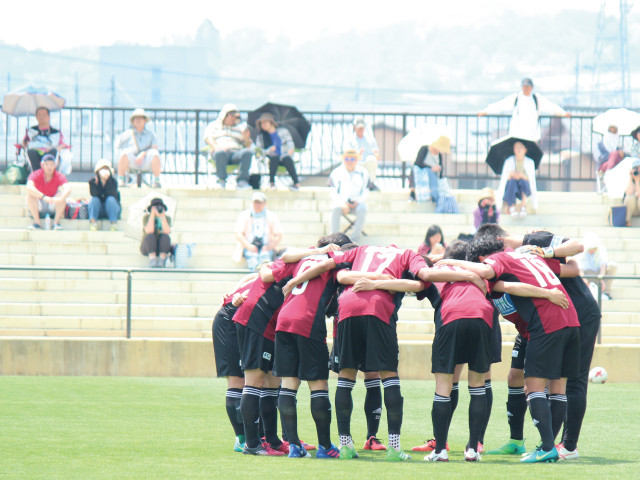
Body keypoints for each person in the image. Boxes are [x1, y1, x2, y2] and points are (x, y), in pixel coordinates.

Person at [437, 235, 582, 463]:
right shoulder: (529, 259)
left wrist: (455, 263)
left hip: (546, 322)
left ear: (484, 259)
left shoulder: (498, 261)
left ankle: (546, 448)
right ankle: (549, 447)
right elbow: (570, 268)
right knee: (558, 388)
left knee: (533, 385)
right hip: (571, 320)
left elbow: (492, 276)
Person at [486, 230, 600, 461]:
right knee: (522, 377)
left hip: (576, 316)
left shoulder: (535, 243)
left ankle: (566, 445)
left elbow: (577, 253)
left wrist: (547, 251)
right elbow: (571, 269)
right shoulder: (519, 257)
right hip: (544, 319)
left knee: (571, 381)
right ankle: (526, 441)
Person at [212, 272, 259, 452]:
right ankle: (241, 438)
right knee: (237, 381)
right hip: (229, 322)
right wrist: (233, 292)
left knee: (254, 381)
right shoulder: (276, 271)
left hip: (246, 322)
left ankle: (257, 436)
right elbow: (254, 275)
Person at [478, 77, 569, 141]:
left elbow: (550, 106)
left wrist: (563, 113)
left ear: (531, 88)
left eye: (527, 86)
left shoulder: (536, 99)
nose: (526, 88)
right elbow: (500, 105)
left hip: (531, 135)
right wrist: (486, 111)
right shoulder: (516, 98)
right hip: (517, 134)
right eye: (524, 86)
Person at [204, 103, 253, 190]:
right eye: (231, 116)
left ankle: (242, 181)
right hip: (221, 151)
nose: (233, 118)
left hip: (235, 153)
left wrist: (246, 138)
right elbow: (208, 137)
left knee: (247, 153)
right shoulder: (214, 126)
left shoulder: (240, 128)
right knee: (220, 153)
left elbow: (247, 146)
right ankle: (221, 180)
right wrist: (216, 147)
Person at [234, 192, 283, 271]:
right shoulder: (244, 215)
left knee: (266, 258)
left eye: (259, 202)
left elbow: (278, 235)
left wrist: (269, 246)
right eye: (255, 202)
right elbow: (238, 234)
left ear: (264, 203)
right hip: (249, 246)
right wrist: (249, 246)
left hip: (266, 246)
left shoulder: (271, 216)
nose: (257, 205)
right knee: (252, 257)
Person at [329, 149, 369, 242]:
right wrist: (342, 203)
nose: (349, 162)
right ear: (343, 160)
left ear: (357, 160)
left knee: (363, 209)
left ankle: (354, 239)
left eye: (352, 159)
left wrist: (358, 201)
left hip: (356, 204)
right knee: (335, 208)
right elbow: (333, 191)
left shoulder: (363, 172)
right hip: (341, 203)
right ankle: (334, 239)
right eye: (347, 159)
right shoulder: (336, 172)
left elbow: (366, 191)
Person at [116, 108, 162, 188]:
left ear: (144, 120)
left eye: (140, 118)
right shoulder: (127, 134)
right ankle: (121, 180)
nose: (138, 120)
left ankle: (156, 181)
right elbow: (118, 146)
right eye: (136, 118)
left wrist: (143, 154)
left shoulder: (151, 135)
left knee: (155, 154)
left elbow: (155, 148)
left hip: (146, 161)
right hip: (131, 160)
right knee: (124, 153)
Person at [254, 113, 300, 191]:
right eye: (261, 123)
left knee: (287, 158)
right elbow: (259, 151)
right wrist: (269, 150)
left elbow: (290, 142)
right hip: (270, 158)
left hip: (284, 156)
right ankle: (272, 183)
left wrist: (290, 150)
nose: (263, 125)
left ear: (271, 122)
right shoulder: (261, 136)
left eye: (265, 122)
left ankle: (296, 183)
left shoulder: (283, 131)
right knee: (274, 157)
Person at [25, 153, 71, 230]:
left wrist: (60, 198)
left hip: (52, 204)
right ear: (42, 165)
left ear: (55, 165)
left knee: (62, 195)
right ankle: (37, 223)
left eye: (52, 164)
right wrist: (43, 196)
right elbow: (29, 187)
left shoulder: (58, 176)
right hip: (39, 203)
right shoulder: (36, 174)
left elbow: (68, 188)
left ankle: (56, 223)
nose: (49, 167)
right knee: (30, 195)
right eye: (47, 164)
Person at [496, 141, 538, 216]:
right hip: (511, 188)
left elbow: (531, 180)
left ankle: (523, 205)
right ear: (514, 150)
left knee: (523, 181)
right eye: (516, 147)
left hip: (524, 188)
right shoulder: (509, 161)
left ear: (525, 150)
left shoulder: (530, 162)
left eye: (521, 147)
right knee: (512, 182)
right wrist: (512, 175)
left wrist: (522, 175)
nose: (518, 150)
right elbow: (504, 179)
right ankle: (512, 207)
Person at [22, 106, 68, 171]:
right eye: (39, 115)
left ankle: (48, 173)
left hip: (50, 153)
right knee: (31, 152)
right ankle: (37, 174)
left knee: (53, 152)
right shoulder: (31, 130)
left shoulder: (56, 132)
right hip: (35, 153)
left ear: (49, 117)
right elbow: (24, 144)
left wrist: (53, 148)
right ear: (36, 117)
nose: (41, 117)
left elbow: (63, 145)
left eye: (44, 115)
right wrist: (24, 143)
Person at [576, 233, 618, 300]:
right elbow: (579, 266)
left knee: (613, 266)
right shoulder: (581, 249)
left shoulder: (601, 249)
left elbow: (603, 265)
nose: (592, 250)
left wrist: (601, 278)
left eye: (594, 248)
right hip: (586, 274)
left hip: (598, 274)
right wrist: (583, 278)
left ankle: (606, 292)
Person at [408, 136, 450, 203]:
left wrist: (438, 169)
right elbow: (417, 163)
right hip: (422, 174)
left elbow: (441, 172)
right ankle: (413, 194)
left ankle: (433, 196)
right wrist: (431, 168)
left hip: (433, 179)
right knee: (414, 170)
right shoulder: (424, 149)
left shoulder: (439, 156)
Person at [88, 159, 121, 231]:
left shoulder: (113, 182)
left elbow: (111, 193)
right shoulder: (93, 181)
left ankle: (113, 223)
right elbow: (94, 194)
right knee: (94, 200)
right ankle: (93, 223)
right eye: (102, 169)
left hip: (111, 209)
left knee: (110, 200)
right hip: (99, 209)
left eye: (106, 169)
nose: (105, 171)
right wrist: (98, 184)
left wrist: (107, 181)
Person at [348, 118, 380, 191]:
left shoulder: (370, 139)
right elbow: (346, 155)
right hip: (355, 163)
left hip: (368, 164)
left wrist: (376, 154)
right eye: (359, 128)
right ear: (354, 127)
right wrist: (357, 155)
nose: (361, 130)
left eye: (362, 128)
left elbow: (377, 155)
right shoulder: (350, 140)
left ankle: (371, 183)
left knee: (371, 159)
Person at [140, 197, 172, 268]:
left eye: (160, 207)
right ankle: (152, 260)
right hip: (148, 247)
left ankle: (162, 260)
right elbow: (149, 231)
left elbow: (167, 231)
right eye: (156, 207)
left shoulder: (167, 218)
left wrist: (162, 217)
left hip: (162, 247)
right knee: (150, 236)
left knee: (166, 237)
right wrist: (152, 215)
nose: (158, 209)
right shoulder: (146, 218)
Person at [623, 158, 640, 226]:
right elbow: (629, 192)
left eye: (639, 168)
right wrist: (631, 178)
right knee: (629, 197)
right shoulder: (629, 179)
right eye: (635, 168)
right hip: (633, 209)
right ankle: (627, 221)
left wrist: (638, 181)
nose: (637, 170)